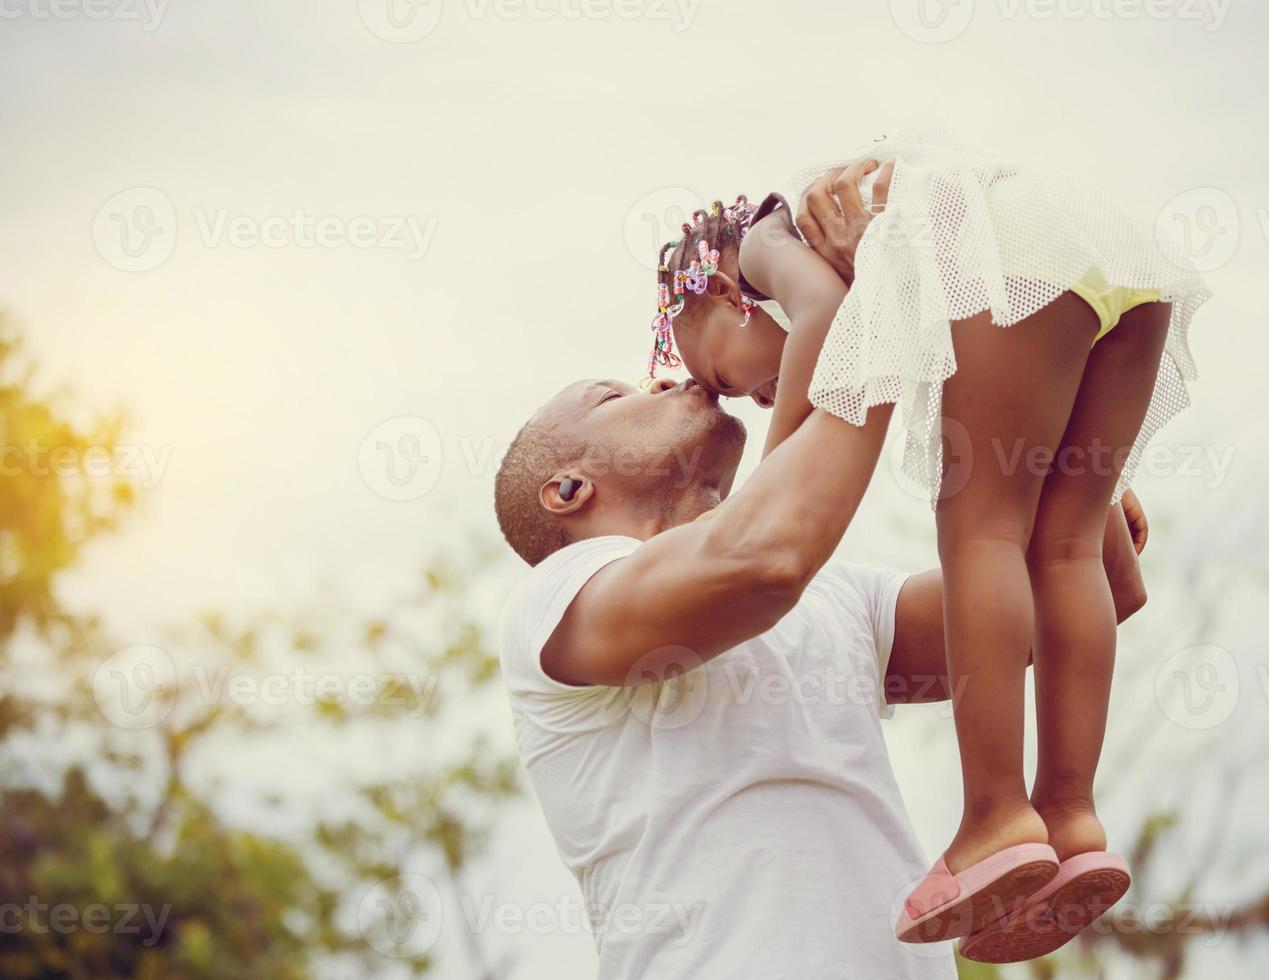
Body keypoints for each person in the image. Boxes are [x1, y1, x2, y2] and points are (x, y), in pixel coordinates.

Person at [493, 175, 1152, 979]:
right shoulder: (558, 600)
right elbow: (767, 554)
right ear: (567, 490)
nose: (665, 379)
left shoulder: (838, 599)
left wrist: (1045, 416)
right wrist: (874, 302)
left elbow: (1089, 583)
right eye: (614, 396)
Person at [643, 129, 1209, 958]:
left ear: (727, 292)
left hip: (1011, 255)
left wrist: (768, 486)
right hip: (1115, 256)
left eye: (726, 378)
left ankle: (995, 815)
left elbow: (824, 315)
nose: (755, 399)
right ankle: (1072, 818)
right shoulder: (868, 229)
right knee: (1068, 546)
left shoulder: (766, 239)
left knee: (982, 532)